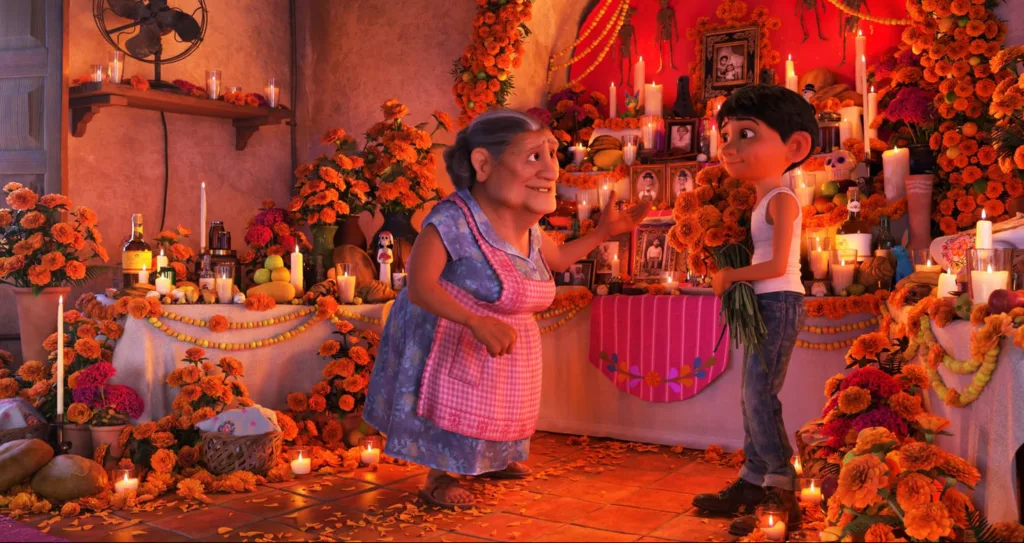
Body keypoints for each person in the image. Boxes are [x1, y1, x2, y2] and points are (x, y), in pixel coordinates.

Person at [363, 109, 650, 509]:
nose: (552, 171)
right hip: (448, 337)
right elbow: (420, 286)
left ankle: (490, 458)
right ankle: (438, 477)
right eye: (534, 156)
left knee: (500, 404)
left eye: (553, 155)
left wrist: (603, 233)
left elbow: (561, 259)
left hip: (501, 342)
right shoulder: (451, 220)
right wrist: (475, 321)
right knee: (450, 408)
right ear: (483, 164)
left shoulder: (526, 225)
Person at [694, 85, 817, 536]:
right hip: (765, 302)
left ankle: (780, 483)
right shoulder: (764, 200)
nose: (729, 145)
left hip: (780, 300)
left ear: (796, 146)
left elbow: (777, 263)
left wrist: (732, 276)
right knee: (751, 394)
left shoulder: (783, 200)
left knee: (759, 395)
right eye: (725, 134)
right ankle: (752, 478)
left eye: (746, 133)